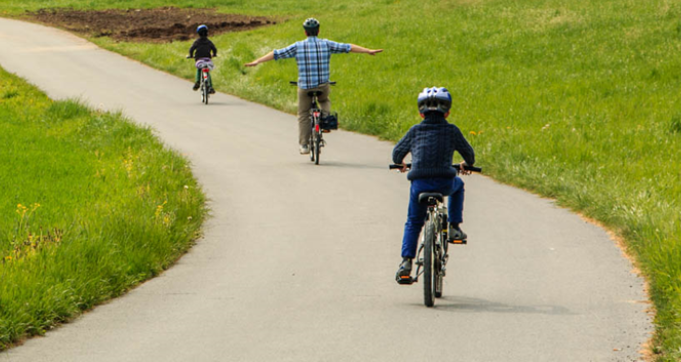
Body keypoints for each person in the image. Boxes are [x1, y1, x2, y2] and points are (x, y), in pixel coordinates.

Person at [244, 17, 382, 154]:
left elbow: (276, 54)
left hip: (304, 87)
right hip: (322, 86)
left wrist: (257, 61)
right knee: (324, 100)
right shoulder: (326, 44)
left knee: (303, 114)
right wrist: (368, 50)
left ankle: (304, 145)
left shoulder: (298, 46)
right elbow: (348, 47)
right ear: (318, 31)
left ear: (305, 32)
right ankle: (325, 119)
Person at [392, 86, 476, 285]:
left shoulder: (415, 131)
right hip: (445, 182)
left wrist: (401, 164)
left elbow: (396, 155)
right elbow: (469, 157)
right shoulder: (452, 131)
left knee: (413, 221)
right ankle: (454, 227)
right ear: (447, 111)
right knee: (459, 184)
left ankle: (406, 263)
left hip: (419, 184)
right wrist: (465, 165)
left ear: (420, 112)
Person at [189, 24, 217, 92]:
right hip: (207, 60)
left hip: (199, 60)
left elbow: (191, 49)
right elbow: (214, 49)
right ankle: (210, 86)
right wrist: (214, 54)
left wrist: (191, 55)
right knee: (207, 71)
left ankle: (197, 81)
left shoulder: (197, 42)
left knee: (199, 69)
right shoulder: (209, 42)